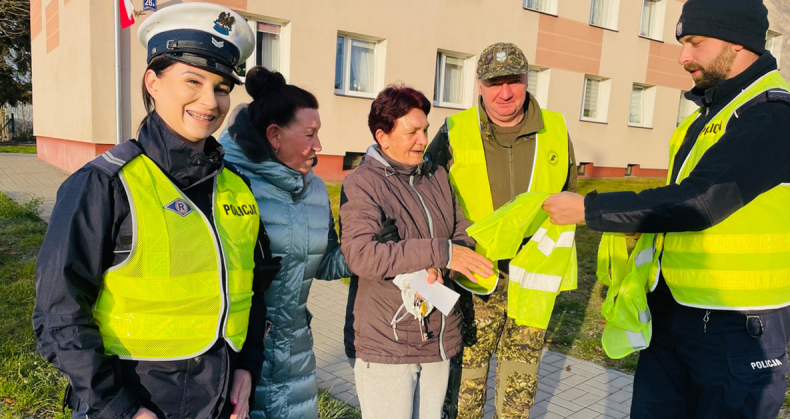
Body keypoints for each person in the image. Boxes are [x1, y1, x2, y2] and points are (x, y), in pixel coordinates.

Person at [543, 0, 790, 417]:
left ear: (738, 40)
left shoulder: (770, 115)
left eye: (695, 42)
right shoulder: (709, 115)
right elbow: (679, 199)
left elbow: (701, 201)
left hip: (740, 326)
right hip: (677, 314)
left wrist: (590, 209)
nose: (682, 56)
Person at [32, 4, 272, 419]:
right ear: (153, 82)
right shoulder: (104, 185)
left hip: (219, 401)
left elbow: (251, 287)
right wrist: (120, 408)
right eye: (192, 80)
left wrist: (248, 366)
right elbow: (58, 315)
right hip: (134, 401)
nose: (209, 101)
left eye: (221, 87)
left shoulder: (236, 186)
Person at [426, 42, 578, 418]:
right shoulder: (454, 130)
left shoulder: (555, 130)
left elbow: (570, 195)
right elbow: (425, 196)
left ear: (527, 81)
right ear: (479, 85)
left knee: (519, 388)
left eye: (514, 81)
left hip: (534, 276)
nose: (505, 92)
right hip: (474, 274)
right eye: (495, 83)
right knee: (465, 386)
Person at [218, 67, 367, 419]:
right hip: (238, 358)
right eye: (309, 135)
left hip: (296, 352)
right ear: (274, 136)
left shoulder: (314, 188)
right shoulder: (228, 182)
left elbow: (327, 262)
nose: (318, 146)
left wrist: (366, 247)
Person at [338, 85, 493, 419]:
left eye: (424, 129)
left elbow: (461, 233)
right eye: (412, 132)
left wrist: (444, 266)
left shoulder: (436, 175)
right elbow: (361, 254)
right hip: (388, 342)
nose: (423, 140)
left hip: (438, 333)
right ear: (383, 136)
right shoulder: (363, 183)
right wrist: (440, 252)